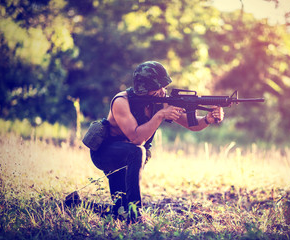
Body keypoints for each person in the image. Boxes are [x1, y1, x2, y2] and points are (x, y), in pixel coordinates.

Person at [90, 61, 225, 223]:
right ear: (144, 89)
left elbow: (192, 125)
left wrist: (207, 119)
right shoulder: (121, 102)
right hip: (106, 154)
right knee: (138, 151)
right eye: (157, 87)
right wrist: (160, 115)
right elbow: (136, 139)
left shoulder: (160, 100)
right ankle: (136, 215)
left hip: (128, 159)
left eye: (164, 86)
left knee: (119, 211)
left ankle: (77, 203)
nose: (162, 92)